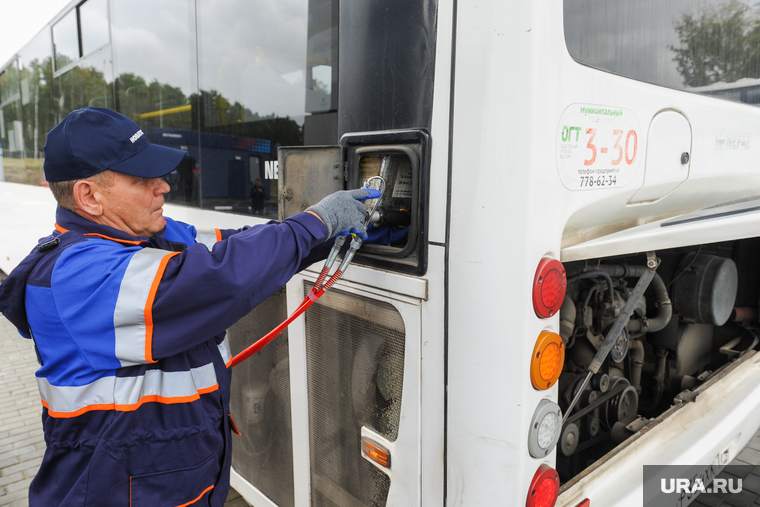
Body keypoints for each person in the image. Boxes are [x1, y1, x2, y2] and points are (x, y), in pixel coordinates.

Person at [0, 107, 380, 507]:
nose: (163, 186)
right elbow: (217, 277)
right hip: (114, 493)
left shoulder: (151, 238)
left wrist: (342, 230)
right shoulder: (77, 275)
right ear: (89, 196)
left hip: (167, 484)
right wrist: (317, 220)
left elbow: (238, 246)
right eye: (143, 179)